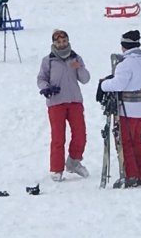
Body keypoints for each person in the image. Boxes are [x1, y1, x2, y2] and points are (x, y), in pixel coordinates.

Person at [100, 30, 141, 187]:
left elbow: (118, 84)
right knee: (137, 140)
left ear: (124, 46)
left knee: (125, 142)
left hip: (129, 109)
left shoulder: (126, 64)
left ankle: (131, 175)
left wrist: (103, 85)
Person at [37, 29, 91, 182]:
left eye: (64, 41)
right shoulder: (48, 60)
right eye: (58, 42)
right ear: (53, 43)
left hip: (74, 101)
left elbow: (85, 79)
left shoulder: (76, 58)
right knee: (58, 137)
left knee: (80, 134)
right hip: (56, 103)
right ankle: (56, 168)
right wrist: (45, 88)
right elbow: (41, 78)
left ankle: (74, 161)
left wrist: (79, 67)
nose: (62, 44)